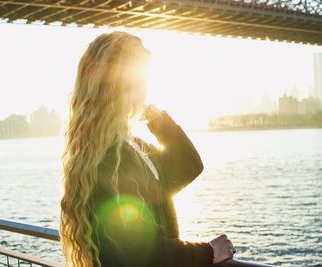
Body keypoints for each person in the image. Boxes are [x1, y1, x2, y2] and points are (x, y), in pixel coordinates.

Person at [59, 31, 235, 267]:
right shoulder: (111, 159)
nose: (147, 85)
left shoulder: (130, 147)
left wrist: (154, 115)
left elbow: (188, 165)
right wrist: (208, 252)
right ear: (123, 84)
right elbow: (143, 254)